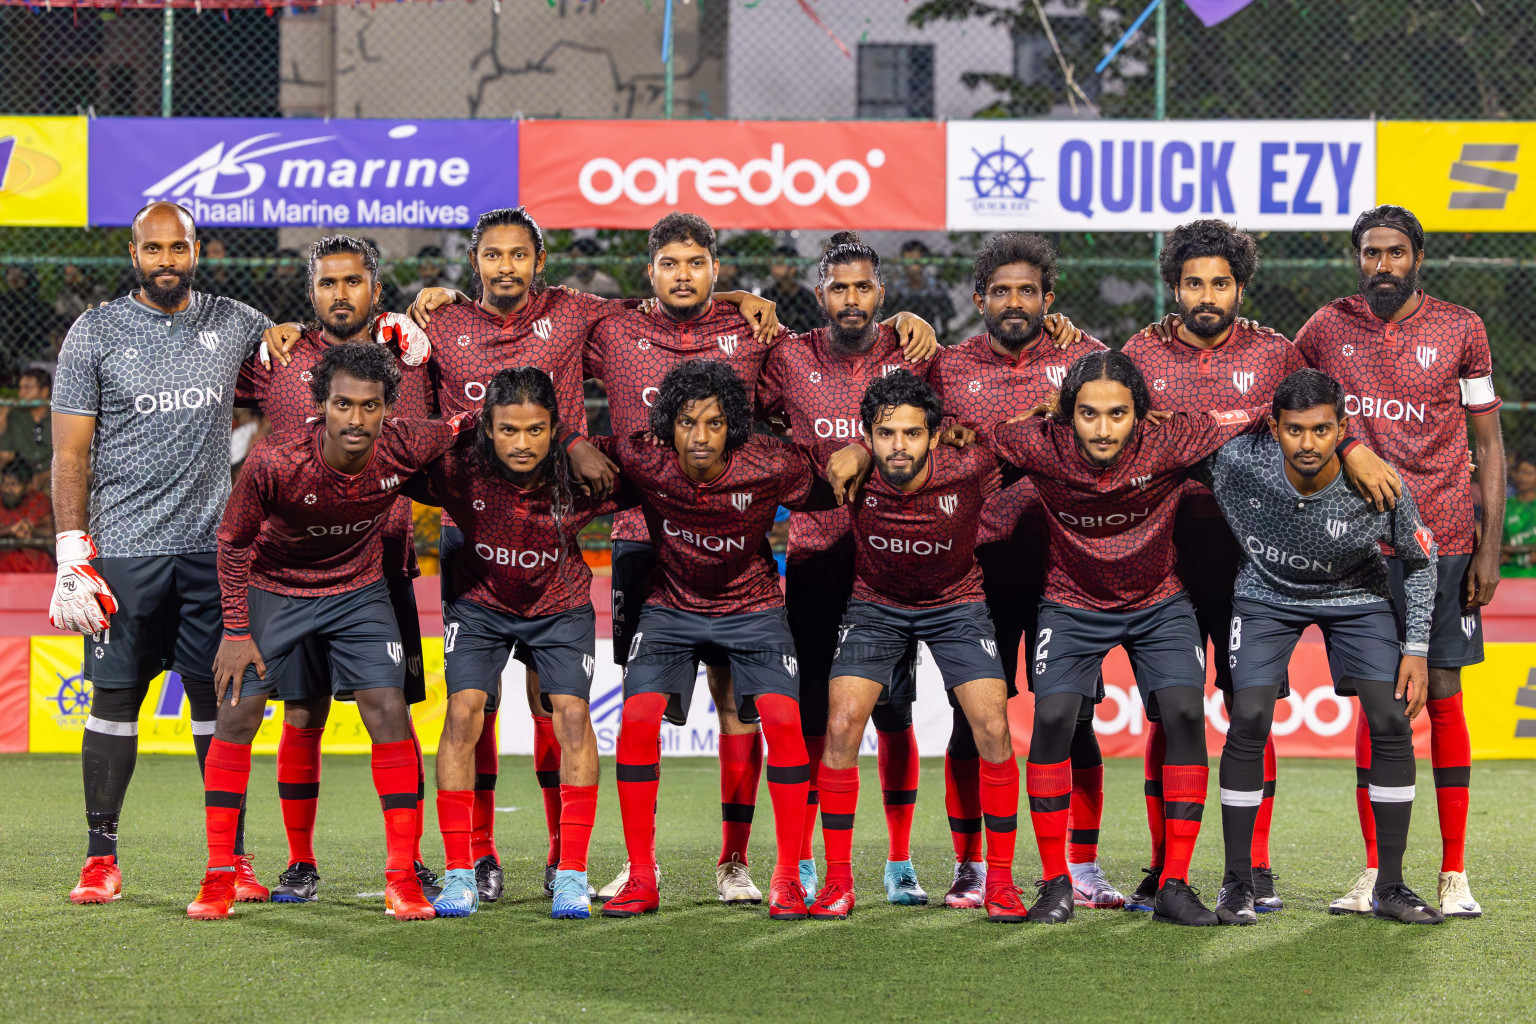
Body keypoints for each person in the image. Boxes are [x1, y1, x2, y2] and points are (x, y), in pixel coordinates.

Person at [405, 205, 775, 904]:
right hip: (473, 527)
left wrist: (736, 300)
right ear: (474, 262)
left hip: (558, 521)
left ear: (539, 263)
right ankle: (477, 857)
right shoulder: (440, 323)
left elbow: (672, 299)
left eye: (519, 255)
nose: (506, 267)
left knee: (557, 702)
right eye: (492, 256)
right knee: (470, 706)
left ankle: (563, 858)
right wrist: (425, 302)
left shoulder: (578, 313)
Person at [970, 351, 1398, 925]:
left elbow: (1256, 416)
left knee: (1185, 714)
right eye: (1089, 414)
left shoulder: (1173, 439)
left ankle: (1174, 883)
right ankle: (1054, 884)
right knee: (1052, 719)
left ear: (1142, 415)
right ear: (1068, 415)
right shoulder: (1034, 443)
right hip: (1071, 602)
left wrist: (1351, 446)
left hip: (1159, 602)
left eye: (1118, 414)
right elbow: (969, 438)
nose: (1103, 428)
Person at [588, 214, 937, 905]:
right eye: (669, 264)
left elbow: (933, 426)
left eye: (696, 263)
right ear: (649, 271)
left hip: (852, 556)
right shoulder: (614, 327)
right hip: (646, 537)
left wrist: (908, 320)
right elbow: (558, 328)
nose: (682, 275)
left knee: (847, 710)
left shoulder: (762, 339)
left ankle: (748, 861)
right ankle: (640, 863)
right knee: (649, 713)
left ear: (717, 269)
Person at [51, 201, 296, 907]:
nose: (166, 261)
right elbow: (69, 453)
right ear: (133, 253)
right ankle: (101, 858)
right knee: (116, 701)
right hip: (124, 551)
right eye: (153, 249)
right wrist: (73, 551)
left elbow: (297, 357)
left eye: (177, 248)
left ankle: (235, 860)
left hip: (212, 552)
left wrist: (287, 333)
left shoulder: (234, 322)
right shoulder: (94, 333)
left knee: (221, 707)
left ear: (197, 250)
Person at [194, 344, 470, 921]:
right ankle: (220, 873)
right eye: (343, 404)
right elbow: (232, 542)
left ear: (387, 410)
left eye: (370, 406)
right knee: (238, 715)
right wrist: (237, 631)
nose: (355, 418)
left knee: (389, 710)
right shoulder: (273, 460)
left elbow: (465, 424)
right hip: (277, 589)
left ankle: (402, 878)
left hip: (358, 590)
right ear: (321, 405)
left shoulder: (405, 442)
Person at [1295, 205, 1504, 919]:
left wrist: (1489, 542)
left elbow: (1491, 444)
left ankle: (1453, 871)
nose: (1380, 264)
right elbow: (1284, 392)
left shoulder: (1461, 327)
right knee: (1375, 698)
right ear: (1357, 258)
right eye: (1369, 252)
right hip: (1356, 545)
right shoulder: (1326, 327)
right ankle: (1375, 870)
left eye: (1393, 252)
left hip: (1442, 539)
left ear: (1417, 255)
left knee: (1442, 691)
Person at [1196, 369, 1441, 924]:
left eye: (1322, 430)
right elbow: (1168, 441)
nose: (1308, 444)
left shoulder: (1379, 483)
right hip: (1264, 596)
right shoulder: (1238, 462)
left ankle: (1392, 886)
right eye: (1294, 430)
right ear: (1273, 428)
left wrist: (1417, 647)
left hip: (1357, 597)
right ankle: (1237, 882)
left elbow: (1421, 564)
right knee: (1249, 716)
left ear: (1342, 429)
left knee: (1392, 719)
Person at [235, 234, 438, 904]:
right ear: (311, 291)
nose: (339, 294)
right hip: (291, 576)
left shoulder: (414, 355)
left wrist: (446, 299)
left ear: (376, 290)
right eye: (327, 283)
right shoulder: (276, 357)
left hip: (384, 566)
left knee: (393, 717)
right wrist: (262, 330)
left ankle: (405, 866)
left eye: (353, 282)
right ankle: (300, 862)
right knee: (302, 713)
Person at [589, 359, 829, 921]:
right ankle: (641, 877)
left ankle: (784, 876)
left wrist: (863, 453)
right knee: (638, 720)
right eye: (688, 422)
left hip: (754, 608)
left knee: (785, 724)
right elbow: (576, 456)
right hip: (670, 607)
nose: (700, 437)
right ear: (667, 426)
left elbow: (838, 484)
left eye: (715, 423)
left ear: (734, 427)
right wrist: (576, 442)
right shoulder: (645, 458)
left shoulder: (770, 463)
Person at [1121, 219, 1308, 914]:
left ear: (1239, 286)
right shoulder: (1139, 352)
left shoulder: (1277, 355)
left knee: (1248, 710)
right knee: (1169, 716)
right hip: (1163, 554)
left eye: (1219, 283)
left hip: (1249, 560)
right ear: (1175, 285)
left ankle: (1253, 867)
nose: (1206, 295)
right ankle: (1162, 863)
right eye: (1193, 282)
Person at [928, 232, 1115, 911]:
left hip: (1067, 569)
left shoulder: (1084, 359)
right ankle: (971, 865)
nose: (1014, 301)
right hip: (973, 569)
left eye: (1028, 290)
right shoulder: (946, 369)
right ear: (980, 299)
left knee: (1075, 720)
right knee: (969, 720)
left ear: (1049, 298)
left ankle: (1084, 866)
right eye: (1001, 290)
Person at [406, 367, 631, 920]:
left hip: (560, 603)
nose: (522, 442)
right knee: (463, 713)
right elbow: (388, 454)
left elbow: (661, 459)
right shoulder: (458, 469)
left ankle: (572, 874)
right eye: (508, 429)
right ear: (488, 425)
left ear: (557, 427)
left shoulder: (587, 472)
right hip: (479, 603)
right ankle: (461, 873)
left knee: (572, 715)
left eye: (535, 429)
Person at [757, 231, 937, 905]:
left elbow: (946, 429)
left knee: (893, 713)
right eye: (840, 287)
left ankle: (897, 862)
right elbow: (736, 397)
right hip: (812, 557)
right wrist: (741, 298)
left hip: (888, 557)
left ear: (881, 294)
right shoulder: (788, 358)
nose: (852, 298)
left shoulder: (912, 353)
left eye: (865, 287)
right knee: (810, 718)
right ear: (819, 293)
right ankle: (801, 861)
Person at [809, 371, 1026, 924]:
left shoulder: (971, 463)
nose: (898, 446)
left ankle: (998, 882)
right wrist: (851, 451)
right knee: (839, 728)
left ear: (935, 435)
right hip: (874, 605)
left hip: (958, 604)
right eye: (884, 434)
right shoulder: (847, 470)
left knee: (994, 728)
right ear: (867, 436)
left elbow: (1035, 434)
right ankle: (837, 883)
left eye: (911, 433)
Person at [892, 240, 956, 345]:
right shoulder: (894, 289)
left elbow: (946, 316)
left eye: (917, 261)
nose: (913, 266)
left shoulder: (935, 287)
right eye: (909, 261)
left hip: (932, 340)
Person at [1, 368, 53, 490]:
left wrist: (45, 476)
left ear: (44, 391)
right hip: (22, 479)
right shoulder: (15, 416)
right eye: (20, 388)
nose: (21, 393)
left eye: (28, 388)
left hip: (53, 476)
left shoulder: (57, 417)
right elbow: (5, 455)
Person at [0, 465, 54, 571]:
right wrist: (10, 530)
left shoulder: (39, 500)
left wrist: (31, 529)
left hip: (36, 563)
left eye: (13, 485)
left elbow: (51, 532)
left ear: (25, 486)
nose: (8, 489)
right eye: (4, 484)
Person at [760, 245, 821, 334]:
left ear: (792, 268)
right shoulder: (767, 296)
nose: (773, 269)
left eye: (779, 264)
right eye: (771, 264)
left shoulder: (807, 298)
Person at [1502, 456, 1536, 576]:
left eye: (1528, 473)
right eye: (1519, 472)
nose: (1522, 477)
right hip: (1505, 574)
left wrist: (1513, 551)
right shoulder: (1505, 506)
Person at [558, 238, 624, 299]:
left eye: (579, 258)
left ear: (590, 258)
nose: (574, 263)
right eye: (573, 259)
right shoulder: (568, 284)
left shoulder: (607, 283)